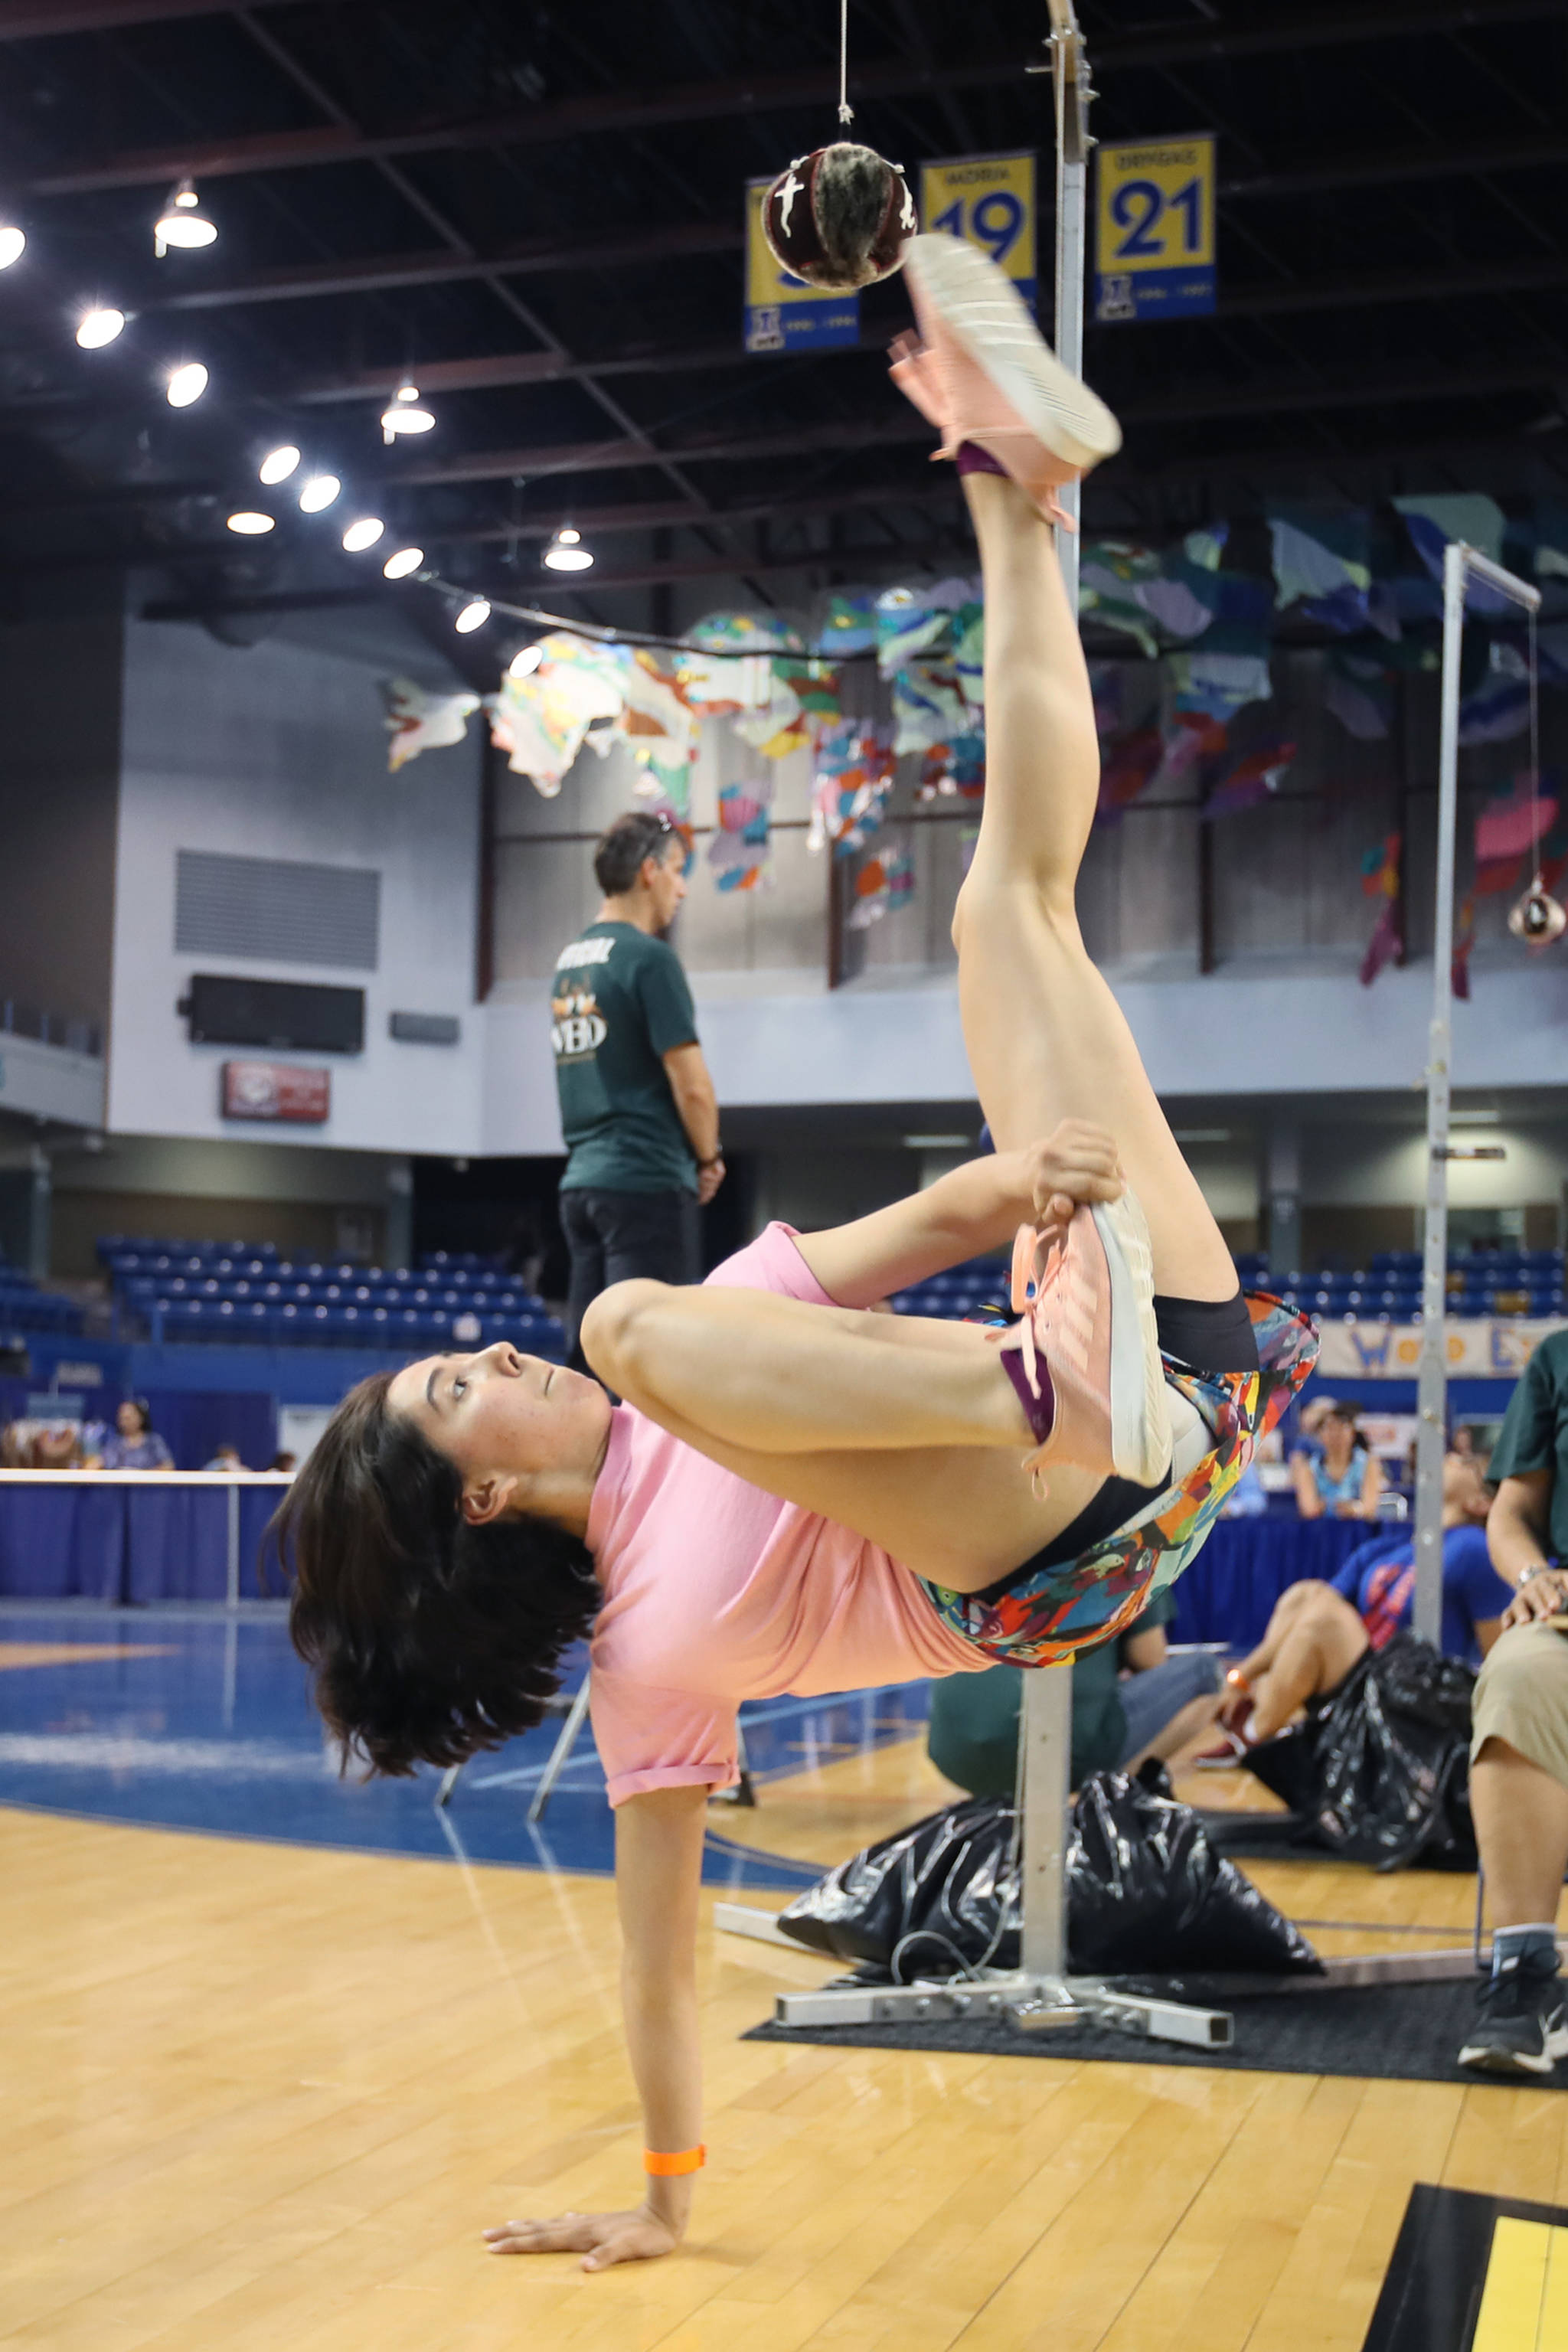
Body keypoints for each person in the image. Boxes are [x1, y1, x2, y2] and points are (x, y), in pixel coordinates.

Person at [279, 233, 1315, 2273]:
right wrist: (664, 2199)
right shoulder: (650, 1652)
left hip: (1147, 1383)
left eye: (465, 1355)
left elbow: (909, 1227)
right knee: (635, 1312)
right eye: (459, 1392)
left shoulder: (703, 1338)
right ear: (474, 1494)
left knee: (1010, 911)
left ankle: (1023, 485)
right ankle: (1055, 1392)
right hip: (1046, 1530)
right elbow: (659, 1955)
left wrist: (1017, 1189)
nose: (500, 1358)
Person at [552, 808, 726, 1367]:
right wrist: (708, 1157)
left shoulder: (569, 963)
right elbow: (691, 1084)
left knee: (588, 1360)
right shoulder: (649, 959)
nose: (683, 887)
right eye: (677, 869)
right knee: (653, 1358)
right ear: (649, 871)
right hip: (643, 1180)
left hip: (581, 1185)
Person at [1220, 1450, 1513, 1746]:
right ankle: (1251, 1712)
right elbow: (1312, 1603)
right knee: (1304, 1595)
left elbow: (1499, 1658)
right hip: (1362, 1678)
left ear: (1481, 1503)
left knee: (1325, 1619)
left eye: (1465, 1463)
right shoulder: (1390, 1549)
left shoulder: (1476, 1549)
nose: (1449, 1456)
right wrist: (1243, 1676)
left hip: (1412, 1698)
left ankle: (1252, 1732)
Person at [1456, 1328, 1568, 2074]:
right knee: (1517, 1670)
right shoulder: (1556, 1359)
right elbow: (1510, 1514)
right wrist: (1533, 1577)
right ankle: (1526, 1978)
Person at [928, 1586, 1224, 1798]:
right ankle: (1116, 1792)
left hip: (952, 1752)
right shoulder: (1137, 1547)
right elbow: (1150, 1660)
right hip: (1057, 1757)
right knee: (1205, 1672)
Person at [1290, 1399, 1382, 1520]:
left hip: (1358, 1528)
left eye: (1341, 1427)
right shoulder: (1309, 1468)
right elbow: (1309, 1509)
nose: (1335, 1434)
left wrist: (1354, 1509)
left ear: (1353, 1433)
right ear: (1320, 1434)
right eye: (1330, 1428)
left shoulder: (1369, 1464)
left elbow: (1370, 1508)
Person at [92, 1398, 173, 1472]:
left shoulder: (154, 1442)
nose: (124, 1423)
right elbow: (98, 1462)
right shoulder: (114, 1443)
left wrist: (145, 1476)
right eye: (122, 1418)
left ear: (141, 1418)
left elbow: (168, 1466)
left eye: (128, 1418)